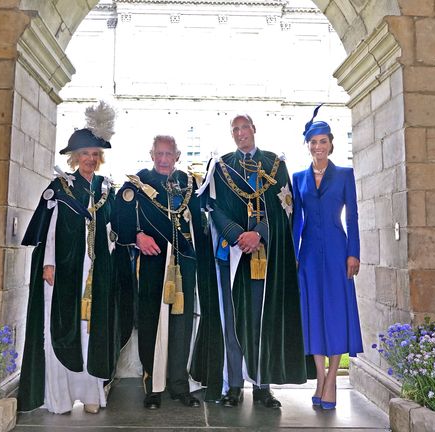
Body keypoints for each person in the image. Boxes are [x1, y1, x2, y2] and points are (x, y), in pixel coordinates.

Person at [18, 102, 124, 415]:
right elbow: (49, 229)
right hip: (65, 270)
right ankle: (61, 397)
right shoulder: (60, 187)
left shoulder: (106, 189)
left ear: (99, 157)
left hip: (98, 271)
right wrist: (48, 263)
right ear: (74, 157)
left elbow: (112, 228)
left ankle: (91, 394)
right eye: (84, 154)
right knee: (63, 330)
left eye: (94, 154)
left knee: (92, 332)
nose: (90, 159)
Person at [197, 113, 309, 409]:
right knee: (232, 322)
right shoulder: (220, 166)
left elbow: (286, 207)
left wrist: (258, 234)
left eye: (244, 127)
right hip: (230, 254)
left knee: (262, 321)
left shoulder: (276, 164)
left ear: (254, 129)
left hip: (264, 257)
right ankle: (233, 385)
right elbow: (213, 207)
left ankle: (262, 385)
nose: (240, 133)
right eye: (235, 129)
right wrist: (237, 235)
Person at [112, 135, 218, 409]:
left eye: (168, 154)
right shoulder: (137, 184)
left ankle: (180, 386)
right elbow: (118, 218)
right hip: (152, 265)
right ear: (151, 154)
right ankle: (154, 387)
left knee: (182, 326)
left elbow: (201, 223)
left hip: (186, 265)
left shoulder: (189, 183)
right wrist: (137, 236)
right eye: (158, 153)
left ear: (177, 156)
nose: (163, 159)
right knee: (152, 325)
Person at [292, 105, 363, 410]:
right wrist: (293, 255)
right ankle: (320, 376)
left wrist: (354, 253)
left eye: (323, 141)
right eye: (313, 142)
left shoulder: (346, 175)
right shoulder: (298, 178)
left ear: (331, 144)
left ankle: (332, 378)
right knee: (313, 315)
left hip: (338, 252)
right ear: (307, 145)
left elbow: (354, 218)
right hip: (307, 255)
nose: (318, 147)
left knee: (335, 314)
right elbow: (296, 219)